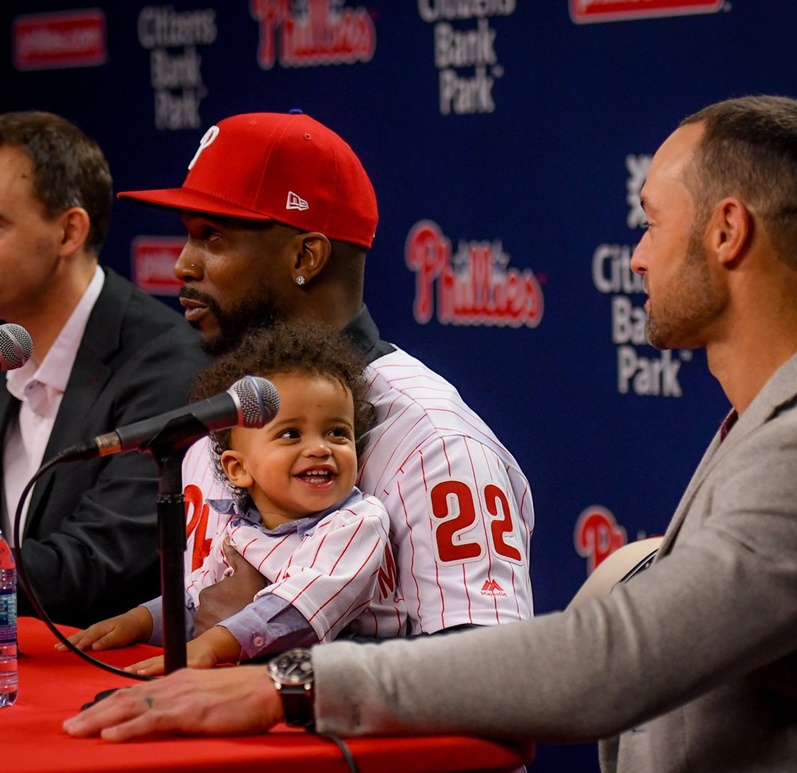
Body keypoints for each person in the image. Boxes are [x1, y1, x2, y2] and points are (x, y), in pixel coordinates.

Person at [65, 95, 797, 772]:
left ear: (727, 232)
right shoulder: (788, 422)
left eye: (651, 222)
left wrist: (288, 680)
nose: (637, 258)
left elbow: (611, 662)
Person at [113, 109, 534, 638]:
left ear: (306, 257)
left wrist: (273, 656)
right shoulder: (222, 419)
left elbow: (487, 665)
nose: (182, 265)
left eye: (213, 238)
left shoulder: (434, 442)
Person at [61, 321, 405, 674]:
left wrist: (211, 646)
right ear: (238, 469)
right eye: (291, 434)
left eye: (337, 432)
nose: (320, 448)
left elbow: (296, 610)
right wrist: (137, 621)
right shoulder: (239, 528)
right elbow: (198, 598)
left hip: (346, 685)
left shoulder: (357, 522)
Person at [0, 111, 210, 627]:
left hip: (111, 667)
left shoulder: (168, 366)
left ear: (69, 231)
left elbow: (93, 569)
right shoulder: (7, 346)